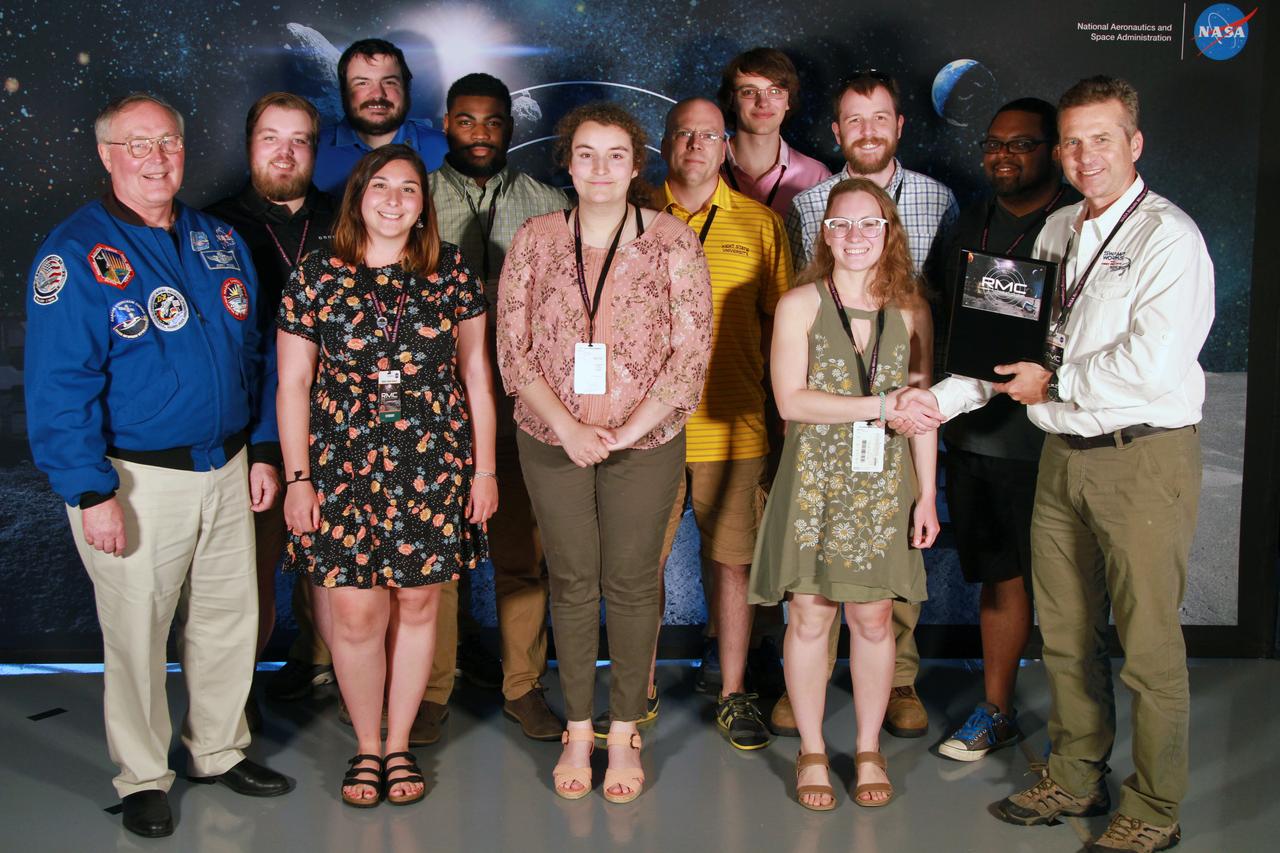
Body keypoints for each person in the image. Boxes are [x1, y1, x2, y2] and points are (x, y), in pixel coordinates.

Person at [920, 76, 1212, 852]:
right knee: (1069, 634)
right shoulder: (1056, 235)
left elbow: (1150, 366)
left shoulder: (1168, 238)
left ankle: (1154, 804)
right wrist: (940, 401)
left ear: (1135, 143)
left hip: (1139, 457)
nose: (1085, 156)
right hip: (1059, 454)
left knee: (1148, 646)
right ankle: (1078, 773)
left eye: (1102, 139)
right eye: (1073, 141)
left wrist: (1054, 382)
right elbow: (1011, 354)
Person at [24, 93, 293, 839]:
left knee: (227, 621)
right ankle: (143, 774)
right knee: (138, 635)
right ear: (107, 155)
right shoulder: (76, 255)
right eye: (136, 145)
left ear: (184, 150)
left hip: (229, 467)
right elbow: (58, 386)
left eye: (167, 143)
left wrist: (264, 448)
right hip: (135, 481)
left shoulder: (214, 239)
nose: (155, 158)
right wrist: (89, 490)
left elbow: (257, 355)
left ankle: (216, 747)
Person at [496, 103, 712, 803]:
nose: (599, 169)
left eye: (615, 155)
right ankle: (579, 725)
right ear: (566, 160)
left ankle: (623, 730)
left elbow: (689, 354)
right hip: (551, 436)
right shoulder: (534, 238)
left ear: (637, 162)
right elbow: (512, 349)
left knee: (630, 581)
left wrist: (622, 430)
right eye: (585, 154)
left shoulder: (674, 242)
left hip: (643, 439)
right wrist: (568, 427)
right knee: (573, 579)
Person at [276, 144, 497, 808]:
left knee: (419, 604)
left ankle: (398, 744)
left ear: (424, 205)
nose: (395, 199)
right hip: (339, 469)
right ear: (358, 196)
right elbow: (293, 384)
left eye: (409, 188)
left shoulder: (449, 271)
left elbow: (477, 379)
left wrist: (483, 470)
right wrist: (297, 478)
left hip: (431, 467)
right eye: (382, 185)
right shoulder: (315, 274)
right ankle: (366, 748)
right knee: (353, 610)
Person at [750, 177, 940, 810]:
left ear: (889, 231)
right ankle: (809, 748)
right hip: (813, 483)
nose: (855, 236)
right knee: (809, 614)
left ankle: (865, 747)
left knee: (874, 616)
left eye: (868, 224)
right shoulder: (800, 303)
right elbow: (791, 401)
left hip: (884, 483)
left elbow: (922, 408)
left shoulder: (911, 307)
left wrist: (929, 493)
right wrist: (881, 402)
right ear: (824, 233)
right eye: (841, 225)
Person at [781, 70, 958, 740]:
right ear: (836, 131)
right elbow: (813, 309)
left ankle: (898, 679)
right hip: (831, 418)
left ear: (900, 124)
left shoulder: (936, 200)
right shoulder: (809, 205)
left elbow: (935, 306)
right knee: (816, 589)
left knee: (884, 587)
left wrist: (912, 413)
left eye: (880, 117)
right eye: (854, 120)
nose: (868, 131)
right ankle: (813, 686)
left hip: (901, 413)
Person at [425, 72, 570, 745]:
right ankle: (430, 690)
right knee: (435, 558)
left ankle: (523, 686)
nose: (479, 133)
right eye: (465, 120)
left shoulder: (548, 203)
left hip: (518, 407)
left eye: (491, 121)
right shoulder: (412, 197)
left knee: (522, 554)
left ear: (511, 127)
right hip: (430, 409)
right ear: (445, 123)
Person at [934, 98, 1079, 762]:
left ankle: (1081, 745)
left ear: (1053, 149)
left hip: (1052, 435)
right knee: (1000, 575)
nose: (1003, 155)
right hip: (977, 436)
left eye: (1021, 144)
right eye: (994, 143)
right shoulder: (969, 224)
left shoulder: (1080, 225)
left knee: (1070, 587)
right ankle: (996, 709)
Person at [646, 97, 792, 750]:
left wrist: (783, 413)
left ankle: (734, 693)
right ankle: (635, 690)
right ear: (667, 142)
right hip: (643, 431)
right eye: (684, 133)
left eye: (709, 135)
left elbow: (782, 327)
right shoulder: (633, 216)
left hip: (733, 431)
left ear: (726, 145)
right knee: (635, 567)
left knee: (732, 565)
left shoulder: (759, 224)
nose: (696, 145)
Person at [206, 92, 339, 719]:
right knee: (247, 580)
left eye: (300, 140)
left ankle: (355, 693)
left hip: (343, 425)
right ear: (249, 143)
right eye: (270, 138)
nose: (285, 152)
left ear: (316, 147)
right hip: (256, 430)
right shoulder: (211, 227)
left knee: (344, 574)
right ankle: (231, 714)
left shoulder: (348, 219)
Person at [313, 38, 448, 196]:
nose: (377, 94)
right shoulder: (311, 151)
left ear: (406, 89)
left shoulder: (446, 151)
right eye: (362, 83)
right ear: (344, 92)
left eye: (389, 82)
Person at [717, 48, 832, 216]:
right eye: (749, 92)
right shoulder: (704, 165)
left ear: (788, 101)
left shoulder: (817, 177)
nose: (763, 102)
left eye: (775, 91)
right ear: (732, 100)